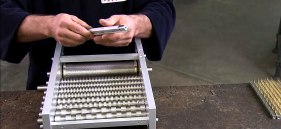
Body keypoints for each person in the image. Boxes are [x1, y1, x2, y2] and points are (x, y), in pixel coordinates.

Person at [0, 0, 175, 89]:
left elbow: (160, 6)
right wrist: (48, 25)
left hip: (124, 80)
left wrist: (136, 24)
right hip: (51, 79)